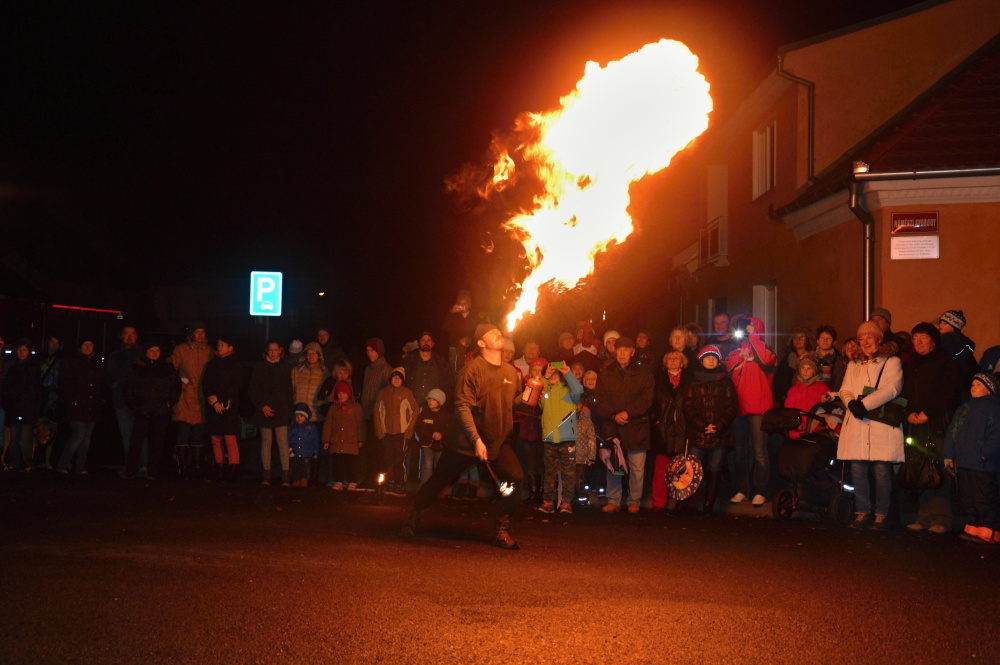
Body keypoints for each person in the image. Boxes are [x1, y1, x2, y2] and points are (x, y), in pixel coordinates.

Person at [400, 324, 525, 550]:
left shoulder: (509, 372)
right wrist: (475, 439)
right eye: (491, 333)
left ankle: (501, 529)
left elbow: (510, 403)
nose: (498, 334)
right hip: (465, 442)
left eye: (498, 332)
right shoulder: (472, 370)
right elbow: (463, 407)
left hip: (497, 441)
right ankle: (414, 515)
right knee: (439, 480)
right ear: (481, 343)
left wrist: (528, 395)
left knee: (516, 478)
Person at [839, 320, 905, 530]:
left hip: (880, 424)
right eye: (861, 338)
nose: (865, 342)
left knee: (881, 470)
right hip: (857, 422)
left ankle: (881, 514)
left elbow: (892, 388)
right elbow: (845, 388)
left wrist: (864, 405)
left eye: (869, 337)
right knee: (857, 470)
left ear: (879, 339)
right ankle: (862, 512)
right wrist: (851, 403)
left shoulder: (892, 361)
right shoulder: (853, 364)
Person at [902, 322, 960, 533]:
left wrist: (928, 412)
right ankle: (924, 517)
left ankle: (941, 519)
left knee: (937, 471)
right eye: (915, 337)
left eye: (923, 337)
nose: (918, 342)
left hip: (938, 425)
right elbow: (905, 392)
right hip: (916, 425)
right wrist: (909, 412)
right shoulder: (912, 364)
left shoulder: (946, 362)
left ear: (933, 340)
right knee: (920, 470)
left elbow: (948, 392)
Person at [595, 336, 655, 513]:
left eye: (626, 349)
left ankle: (634, 500)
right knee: (613, 464)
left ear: (632, 352)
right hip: (613, 426)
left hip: (637, 426)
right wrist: (613, 415)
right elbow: (600, 400)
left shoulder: (644, 373)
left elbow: (647, 399)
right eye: (619, 349)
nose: (622, 353)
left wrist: (628, 413)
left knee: (637, 468)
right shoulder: (606, 373)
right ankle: (613, 500)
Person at [681, 346, 738, 516]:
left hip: (720, 434)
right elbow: (688, 406)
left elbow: (731, 406)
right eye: (707, 358)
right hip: (698, 433)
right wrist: (701, 425)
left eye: (714, 358)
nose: (711, 361)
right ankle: (682, 504)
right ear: (701, 361)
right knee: (691, 468)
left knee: (714, 467)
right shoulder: (693, 381)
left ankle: (708, 506)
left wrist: (718, 425)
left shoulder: (725, 381)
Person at [726, 316, 777, 507]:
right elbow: (727, 367)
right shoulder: (735, 353)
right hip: (739, 407)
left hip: (759, 408)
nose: (746, 330)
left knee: (759, 452)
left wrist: (754, 337)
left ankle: (761, 491)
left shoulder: (766, 349)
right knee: (740, 452)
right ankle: (742, 490)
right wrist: (741, 355)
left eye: (751, 327)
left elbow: (767, 360)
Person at [944, 374, 1000, 544]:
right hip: (964, 460)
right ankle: (973, 525)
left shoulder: (994, 407)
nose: (973, 387)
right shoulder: (965, 408)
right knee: (967, 497)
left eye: (978, 385)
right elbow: (953, 432)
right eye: (972, 384)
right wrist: (949, 455)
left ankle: (990, 529)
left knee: (983, 496)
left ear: (989, 390)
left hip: (983, 464)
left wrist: (985, 453)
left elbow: (996, 433)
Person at [122, 341, 182, 480]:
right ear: (146, 352)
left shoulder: (167, 367)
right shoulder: (138, 367)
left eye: (157, 351)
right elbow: (128, 386)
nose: (155, 354)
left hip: (160, 411)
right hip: (142, 410)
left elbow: (176, 386)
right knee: (136, 442)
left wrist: (170, 402)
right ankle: (130, 470)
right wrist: (134, 404)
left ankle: (153, 472)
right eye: (151, 351)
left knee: (157, 443)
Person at [537, 360, 584, 515]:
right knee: (549, 472)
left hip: (567, 438)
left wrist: (566, 370)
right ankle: (548, 502)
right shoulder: (545, 391)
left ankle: (566, 502)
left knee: (569, 473)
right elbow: (539, 402)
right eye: (550, 374)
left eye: (555, 374)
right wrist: (545, 377)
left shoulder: (568, 392)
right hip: (549, 438)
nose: (553, 376)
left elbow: (578, 389)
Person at [649, 350, 691, 512]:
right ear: (665, 363)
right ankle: (658, 503)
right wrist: (656, 420)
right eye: (670, 359)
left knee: (685, 468)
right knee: (661, 468)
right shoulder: (657, 380)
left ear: (682, 362)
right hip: (662, 429)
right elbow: (651, 402)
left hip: (683, 428)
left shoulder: (690, 380)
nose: (673, 361)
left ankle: (684, 502)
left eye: (676, 358)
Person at [55, 340, 104, 475]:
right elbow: (65, 383)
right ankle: (63, 463)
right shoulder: (72, 362)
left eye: (91, 345)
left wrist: (100, 399)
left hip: (92, 405)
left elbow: (100, 383)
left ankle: (80, 465)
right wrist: (72, 400)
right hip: (78, 405)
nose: (88, 348)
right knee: (78, 435)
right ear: (79, 347)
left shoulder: (95, 363)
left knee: (86, 438)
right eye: (85, 345)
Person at [171, 321, 213, 479]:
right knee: (183, 431)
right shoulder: (181, 349)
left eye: (203, 332)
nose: (200, 335)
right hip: (185, 396)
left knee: (198, 433)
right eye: (197, 332)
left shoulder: (209, 351)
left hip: (202, 396)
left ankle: (197, 467)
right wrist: (182, 381)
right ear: (192, 334)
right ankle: (182, 467)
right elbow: (172, 369)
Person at [249, 340, 294, 486]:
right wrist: (262, 406)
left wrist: (289, 412)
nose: (273, 353)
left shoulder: (285, 367)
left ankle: (285, 475)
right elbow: (253, 389)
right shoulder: (260, 367)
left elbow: (289, 391)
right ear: (267, 351)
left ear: (280, 350)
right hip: (264, 411)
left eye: (276, 350)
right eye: (270, 350)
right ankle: (266, 474)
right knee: (266, 442)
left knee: (283, 443)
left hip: (281, 410)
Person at [202, 335, 244, 481]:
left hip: (229, 405)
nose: (219, 347)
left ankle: (233, 469)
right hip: (213, 406)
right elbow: (206, 385)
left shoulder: (236, 364)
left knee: (229, 437)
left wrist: (219, 398)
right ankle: (219, 467)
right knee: (216, 438)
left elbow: (236, 386)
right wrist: (214, 402)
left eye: (223, 345)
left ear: (230, 347)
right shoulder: (211, 364)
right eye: (219, 344)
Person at [374, 367, 418, 496]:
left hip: (401, 433)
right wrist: (379, 431)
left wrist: (409, 431)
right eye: (394, 376)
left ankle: (401, 484)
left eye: (399, 377)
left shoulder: (406, 393)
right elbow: (377, 411)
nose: (397, 379)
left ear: (403, 380)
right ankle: (390, 482)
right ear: (390, 378)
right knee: (388, 458)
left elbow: (415, 411)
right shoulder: (383, 393)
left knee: (400, 459)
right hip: (386, 433)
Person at [106, 326, 143, 465]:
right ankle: (130, 465)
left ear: (136, 336)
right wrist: (115, 385)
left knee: (140, 434)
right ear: (121, 336)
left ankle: (142, 465)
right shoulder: (115, 355)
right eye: (126, 334)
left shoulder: (143, 354)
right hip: (121, 401)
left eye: (132, 334)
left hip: (140, 401)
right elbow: (109, 377)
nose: (129, 337)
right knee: (126, 435)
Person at [2, 340, 42, 471]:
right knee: (14, 438)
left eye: (24, 350)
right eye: (20, 350)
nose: (22, 353)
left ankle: (27, 463)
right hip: (14, 409)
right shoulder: (12, 368)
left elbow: (35, 391)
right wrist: (8, 404)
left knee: (25, 438)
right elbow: (7, 389)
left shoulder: (33, 368)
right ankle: (14, 462)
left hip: (27, 409)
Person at [360, 338, 392, 487]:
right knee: (369, 449)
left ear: (379, 351)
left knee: (378, 449)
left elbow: (386, 394)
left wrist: (378, 412)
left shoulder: (386, 370)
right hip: (367, 414)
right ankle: (369, 478)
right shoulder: (368, 369)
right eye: (367, 351)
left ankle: (379, 479)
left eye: (372, 350)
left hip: (378, 416)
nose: (369, 353)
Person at [322, 381, 364, 490]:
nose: (341, 395)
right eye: (339, 393)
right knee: (337, 463)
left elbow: (360, 425)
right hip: (336, 442)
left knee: (351, 463)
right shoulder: (333, 408)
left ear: (349, 394)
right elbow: (328, 424)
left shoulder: (355, 408)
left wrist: (360, 439)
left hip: (351, 442)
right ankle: (339, 481)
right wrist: (326, 440)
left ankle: (352, 481)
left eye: (344, 393)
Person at [935, 310, 979, 401]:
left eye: (945, 323)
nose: (941, 325)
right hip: (965, 383)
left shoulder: (947, 338)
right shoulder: (963, 340)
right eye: (940, 322)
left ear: (954, 326)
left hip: (956, 383)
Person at [783, 356, 829, 438]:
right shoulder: (793, 390)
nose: (805, 371)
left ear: (814, 371)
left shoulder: (822, 387)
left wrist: (826, 398)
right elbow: (789, 409)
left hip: (815, 430)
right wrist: (795, 423)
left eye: (809, 368)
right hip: (797, 429)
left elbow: (829, 400)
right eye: (803, 368)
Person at [413, 388, 451, 488]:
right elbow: (419, 428)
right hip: (427, 444)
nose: (430, 401)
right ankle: (423, 490)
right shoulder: (424, 413)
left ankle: (438, 490)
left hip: (441, 445)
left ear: (440, 401)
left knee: (439, 468)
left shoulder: (446, 415)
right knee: (427, 466)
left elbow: (450, 430)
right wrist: (431, 434)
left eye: (433, 399)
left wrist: (442, 435)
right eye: (429, 399)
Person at [773, 327, 815, 404]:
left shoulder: (813, 357)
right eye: (795, 337)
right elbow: (779, 381)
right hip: (790, 398)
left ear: (808, 341)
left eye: (802, 337)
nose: (798, 340)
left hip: (809, 397)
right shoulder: (787, 358)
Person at [288, 403, 319, 487]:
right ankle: (296, 479)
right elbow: (289, 438)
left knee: (305, 466)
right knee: (295, 466)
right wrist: (290, 449)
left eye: (301, 416)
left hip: (307, 452)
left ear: (306, 416)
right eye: (297, 416)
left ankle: (304, 479)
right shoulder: (292, 427)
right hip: (295, 452)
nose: (299, 418)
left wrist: (315, 451)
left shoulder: (311, 427)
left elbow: (315, 439)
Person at [814, 325, 845, 391]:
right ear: (817, 341)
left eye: (829, 338)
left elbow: (838, 384)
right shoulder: (809, 357)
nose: (825, 340)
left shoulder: (839, 361)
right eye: (822, 338)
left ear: (834, 342)